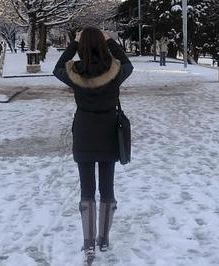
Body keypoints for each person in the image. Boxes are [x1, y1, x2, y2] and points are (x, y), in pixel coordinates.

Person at [53, 27, 133, 262]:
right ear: (103, 44)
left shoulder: (75, 71)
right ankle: (104, 239)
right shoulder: (115, 70)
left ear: (82, 47)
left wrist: (74, 45)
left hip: (85, 132)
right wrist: (110, 43)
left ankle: (89, 243)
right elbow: (128, 64)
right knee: (107, 187)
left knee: (87, 189)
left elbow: (57, 68)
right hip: (109, 132)